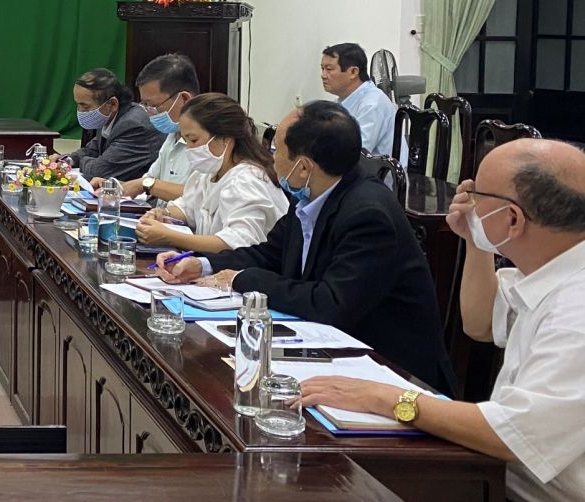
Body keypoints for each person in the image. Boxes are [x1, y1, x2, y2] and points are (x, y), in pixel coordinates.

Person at [297, 139, 585, 500]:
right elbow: (481, 324)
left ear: (512, 219)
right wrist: (476, 242)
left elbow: (514, 435)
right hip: (494, 476)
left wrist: (385, 398)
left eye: (477, 194)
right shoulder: (552, 267)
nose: (468, 201)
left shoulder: (574, 312)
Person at [157, 101, 456, 394]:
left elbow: (329, 303)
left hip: (395, 375)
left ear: (303, 167)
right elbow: (269, 253)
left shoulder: (368, 216)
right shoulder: (311, 194)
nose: (271, 158)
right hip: (333, 352)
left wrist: (241, 279)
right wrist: (204, 264)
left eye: (276, 151)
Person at [134, 92, 286, 253]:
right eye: (186, 141)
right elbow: (188, 207)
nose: (188, 148)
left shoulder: (248, 180)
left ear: (225, 139)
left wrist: (170, 237)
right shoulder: (209, 172)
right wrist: (162, 214)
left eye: (193, 140)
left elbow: (238, 243)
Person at [91, 53, 198, 201]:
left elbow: (200, 196)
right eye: (145, 105)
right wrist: (115, 187)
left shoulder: (209, 143)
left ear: (184, 99)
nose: (148, 112)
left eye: (153, 105)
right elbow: (147, 185)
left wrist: (144, 184)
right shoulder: (172, 135)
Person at [64, 68, 163, 185]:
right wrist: (67, 160)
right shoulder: (107, 115)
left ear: (112, 104)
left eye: (85, 107)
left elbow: (99, 171)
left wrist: (81, 161)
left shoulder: (133, 125)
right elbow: (92, 150)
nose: (80, 111)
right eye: (78, 105)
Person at [321, 42, 395, 156]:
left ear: (353, 72)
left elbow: (355, 153)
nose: (323, 75)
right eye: (322, 69)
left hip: (375, 167)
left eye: (329, 69)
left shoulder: (373, 105)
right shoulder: (340, 102)